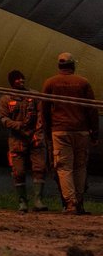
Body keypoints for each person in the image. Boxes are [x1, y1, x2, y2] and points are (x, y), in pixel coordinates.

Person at [41, 52, 98, 215]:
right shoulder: (83, 82)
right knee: (80, 167)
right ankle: (79, 203)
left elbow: (44, 110)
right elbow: (91, 110)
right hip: (81, 131)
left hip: (60, 131)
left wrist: (47, 133)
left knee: (64, 168)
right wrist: (95, 133)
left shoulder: (50, 82)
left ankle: (70, 203)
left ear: (59, 66)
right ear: (73, 66)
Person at [0, 69, 48, 213]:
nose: (21, 81)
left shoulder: (34, 95)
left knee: (40, 168)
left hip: (34, 138)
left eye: (22, 78)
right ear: (12, 82)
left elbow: (41, 115)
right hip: (16, 139)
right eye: (17, 79)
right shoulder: (6, 99)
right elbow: (4, 118)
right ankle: (22, 202)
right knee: (18, 171)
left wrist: (37, 133)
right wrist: (18, 125)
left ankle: (38, 200)